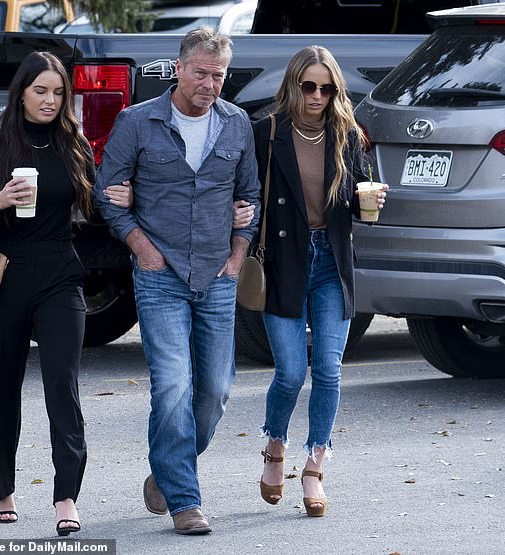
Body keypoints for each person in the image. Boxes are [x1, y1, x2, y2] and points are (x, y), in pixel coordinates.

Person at [93, 26, 260, 535]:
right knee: (172, 385)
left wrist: (237, 257)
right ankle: (186, 500)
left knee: (215, 390)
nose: (210, 83)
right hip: (159, 274)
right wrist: (143, 250)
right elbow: (107, 193)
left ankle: (166, 474)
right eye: (201, 72)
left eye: (219, 75)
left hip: (217, 274)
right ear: (179, 68)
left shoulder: (237, 126)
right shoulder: (137, 122)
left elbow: (249, 196)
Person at [244, 45, 387, 517]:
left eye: (327, 88)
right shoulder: (266, 132)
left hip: (331, 261)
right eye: (309, 86)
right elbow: (245, 192)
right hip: (284, 260)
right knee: (290, 372)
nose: (318, 96)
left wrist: (372, 201)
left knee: (328, 369)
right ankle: (275, 447)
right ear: (293, 85)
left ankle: (315, 466)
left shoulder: (348, 135)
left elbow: (358, 199)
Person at [0, 50, 97, 536]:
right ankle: (3, 490)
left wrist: (121, 196)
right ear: (21, 92)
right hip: (6, 276)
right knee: (3, 386)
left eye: (58, 92)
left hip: (61, 272)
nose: (49, 100)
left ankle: (66, 497)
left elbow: (94, 207)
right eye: (40, 90)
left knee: (63, 385)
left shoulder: (73, 145)